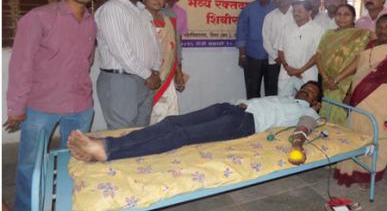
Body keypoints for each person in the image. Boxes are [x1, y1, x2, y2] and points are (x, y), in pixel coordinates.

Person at [4, 0, 99, 211]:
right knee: (30, 164)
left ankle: (65, 204)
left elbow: (86, 61)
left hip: (80, 106)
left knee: (73, 161)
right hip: (40, 106)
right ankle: (27, 207)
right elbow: (21, 65)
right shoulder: (39, 17)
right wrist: (16, 108)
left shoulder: (90, 22)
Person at [67, 81, 323, 165]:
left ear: (316, 102)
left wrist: (297, 144)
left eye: (312, 92)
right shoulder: (286, 96)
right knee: (171, 122)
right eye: (305, 88)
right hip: (230, 108)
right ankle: (109, 144)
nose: (306, 92)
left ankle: (107, 150)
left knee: (180, 135)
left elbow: (303, 129)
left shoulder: (309, 112)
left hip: (246, 123)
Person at [333, 14, 387, 188]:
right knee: (356, 134)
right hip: (360, 99)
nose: (383, 30)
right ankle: (351, 170)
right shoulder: (370, 46)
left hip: (386, 100)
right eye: (380, 26)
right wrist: (349, 94)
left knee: (381, 137)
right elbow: (359, 72)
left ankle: (369, 174)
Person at [95, 0, 161, 130]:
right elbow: (120, 51)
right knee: (122, 133)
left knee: (141, 131)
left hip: (145, 79)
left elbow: (154, 45)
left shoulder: (142, 12)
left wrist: (156, 70)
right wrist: (148, 74)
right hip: (121, 81)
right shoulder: (113, 9)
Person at [316, 4, 371, 125]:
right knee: (326, 112)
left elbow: (359, 59)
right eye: (339, 14)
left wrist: (336, 80)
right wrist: (326, 78)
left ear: (354, 17)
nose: (342, 18)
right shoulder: (328, 34)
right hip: (326, 81)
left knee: (343, 114)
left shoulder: (361, 35)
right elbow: (318, 56)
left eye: (347, 14)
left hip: (346, 83)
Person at [141, 0, 179, 124]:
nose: (158, 0)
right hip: (146, 74)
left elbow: (173, 48)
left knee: (168, 108)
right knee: (152, 111)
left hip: (166, 73)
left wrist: (177, 72)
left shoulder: (167, 20)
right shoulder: (139, 18)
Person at [236, 0, 276, 99]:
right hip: (252, 56)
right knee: (253, 91)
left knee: (272, 91)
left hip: (273, 57)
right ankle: (252, 116)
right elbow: (241, 32)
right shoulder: (248, 9)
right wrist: (242, 55)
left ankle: (270, 117)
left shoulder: (277, 9)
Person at [277, 0, 324, 95]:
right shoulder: (286, 27)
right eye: (294, 11)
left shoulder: (317, 30)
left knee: (303, 103)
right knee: (282, 103)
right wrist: (286, 67)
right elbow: (280, 49)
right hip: (286, 73)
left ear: (309, 12)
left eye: (299, 11)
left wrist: (300, 70)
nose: (295, 13)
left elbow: (317, 55)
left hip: (306, 75)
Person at [155, 0, 187, 92]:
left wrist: (178, 69)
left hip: (168, 64)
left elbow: (176, 42)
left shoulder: (172, 14)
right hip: (149, 69)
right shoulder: (143, 11)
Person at [262, 0, 294, 95]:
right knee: (272, 90)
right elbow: (265, 39)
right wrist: (276, 56)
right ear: (274, 0)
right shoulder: (269, 17)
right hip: (275, 60)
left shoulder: (297, 13)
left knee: (292, 91)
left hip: (293, 60)